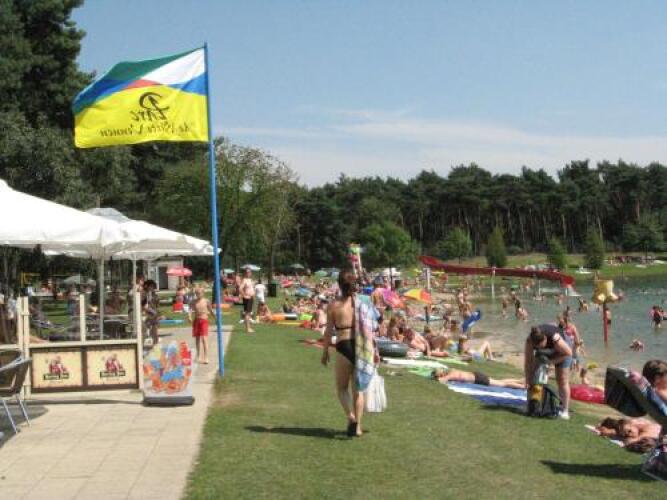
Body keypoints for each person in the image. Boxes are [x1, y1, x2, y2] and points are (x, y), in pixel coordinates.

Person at [321, 269, 366, 437]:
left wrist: (325, 351)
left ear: (339, 285)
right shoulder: (360, 302)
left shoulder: (334, 305)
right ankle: (358, 427)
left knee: (341, 388)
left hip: (343, 344)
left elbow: (328, 331)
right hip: (359, 345)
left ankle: (351, 417)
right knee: (358, 390)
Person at [524, 324, 573, 420]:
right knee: (533, 376)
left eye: (542, 345)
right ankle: (530, 406)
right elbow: (528, 362)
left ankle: (565, 410)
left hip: (562, 352)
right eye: (537, 347)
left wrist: (551, 362)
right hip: (546, 353)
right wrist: (527, 379)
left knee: (562, 380)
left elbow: (569, 353)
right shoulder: (530, 340)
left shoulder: (555, 338)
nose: (540, 347)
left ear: (545, 338)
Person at [431, 367, 525, 389]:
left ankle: (523, 386)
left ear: (441, 374)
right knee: (499, 381)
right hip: (476, 375)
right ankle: (520, 380)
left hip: (478, 378)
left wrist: (436, 378)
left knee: (503, 384)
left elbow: (442, 381)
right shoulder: (452, 370)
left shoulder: (450, 374)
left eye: (438, 374)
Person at [188, 288, 214, 364]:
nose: (198, 295)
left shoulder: (206, 301)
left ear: (203, 293)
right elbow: (190, 309)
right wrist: (189, 316)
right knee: (197, 339)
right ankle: (198, 355)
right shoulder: (194, 301)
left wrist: (215, 317)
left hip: (204, 321)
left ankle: (206, 357)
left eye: (199, 293)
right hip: (196, 321)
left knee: (204, 338)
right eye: (197, 293)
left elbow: (210, 310)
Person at [240, 268, 255, 334]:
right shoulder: (244, 280)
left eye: (249, 272)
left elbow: (251, 288)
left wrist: (252, 294)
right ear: (245, 273)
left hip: (251, 298)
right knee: (247, 313)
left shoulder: (250, 280)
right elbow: (240, 289)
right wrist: (245, 295)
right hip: (247, 298)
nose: (248, 273)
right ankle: (248, 328)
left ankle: (249, 327)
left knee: (249, 313)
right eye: (247, 272)